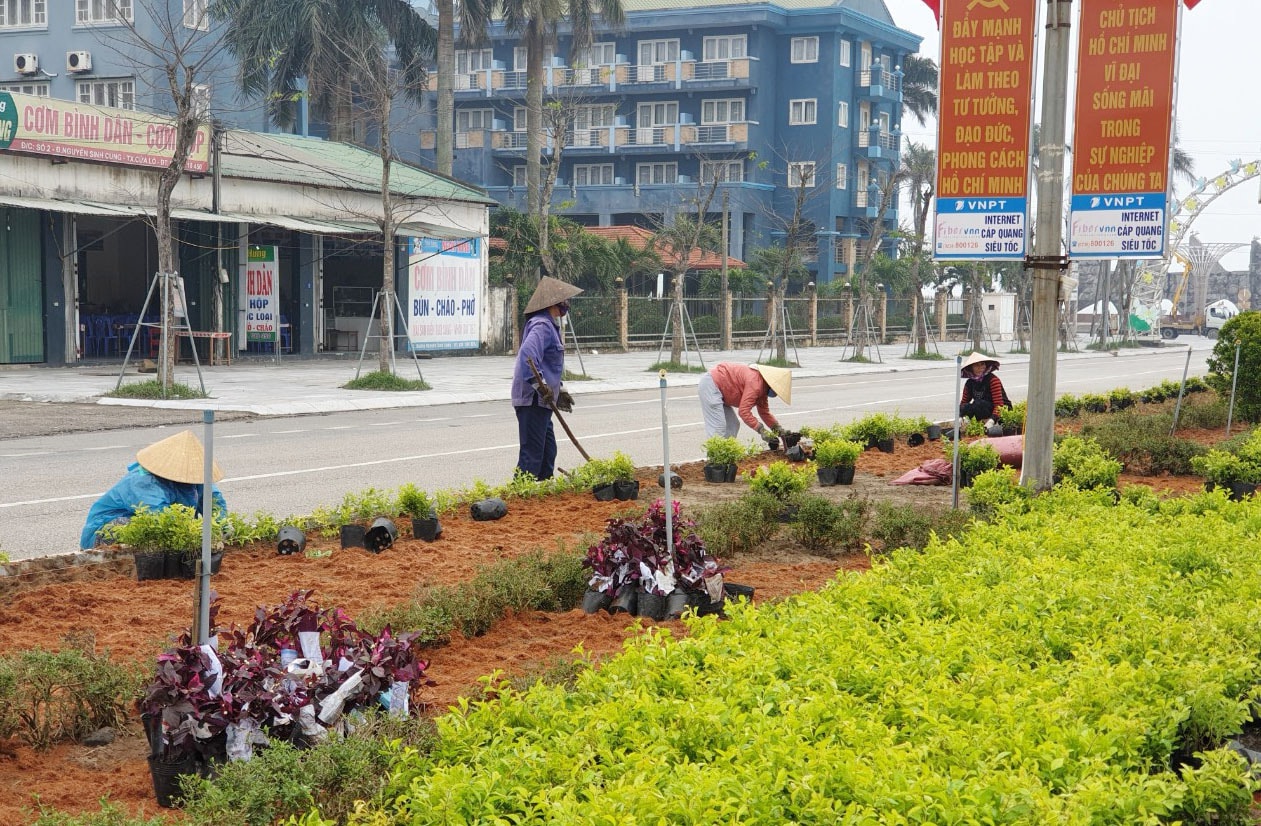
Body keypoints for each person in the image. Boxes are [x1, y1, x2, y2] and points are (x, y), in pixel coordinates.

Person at [80, 430, 228, 549]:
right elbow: (159, 519)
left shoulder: (194, 476)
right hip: (104, 530)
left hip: (158, 523)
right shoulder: (143, 482)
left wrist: (219, 529)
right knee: (144, 530)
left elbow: (214, 501)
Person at [511, 276, 583, 480]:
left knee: (547, 452)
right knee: (532, 455)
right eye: (565, 300)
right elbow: (528, 358)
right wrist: (541, 386)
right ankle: (520, 497)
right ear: (554, 303)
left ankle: (542, 495)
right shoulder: (542, 325)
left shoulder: (550, 326)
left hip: (542, 401)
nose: (567, 304)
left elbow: (546, 364)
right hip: (533, 400)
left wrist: (559, 389)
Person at [698, 362, 792, 445]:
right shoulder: (755, 383)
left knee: (733, 424)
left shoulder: (763, 389)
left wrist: (779, 430)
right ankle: (713, 460)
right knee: (718, 427)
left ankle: (724, 455)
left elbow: (764, 413)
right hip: (711, 385)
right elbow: (743, 411)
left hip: (722, 392)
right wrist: (761, 430)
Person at [958, 352, 1012, 425]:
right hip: (983, 409)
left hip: (1002, 410)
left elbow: (999, 405)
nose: (980, 368)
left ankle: (987, 423)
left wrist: (992, 420)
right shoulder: (969, 383)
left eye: (982, 364)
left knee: (978, 403)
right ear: (971, 368)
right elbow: (964, 402)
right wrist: (960, 416)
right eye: (976, 365)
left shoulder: (993, 380)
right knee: (966, 407)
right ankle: (978, 423)